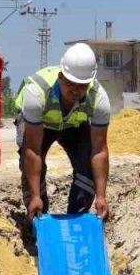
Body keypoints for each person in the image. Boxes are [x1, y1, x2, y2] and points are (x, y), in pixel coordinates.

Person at [14, 43, 113, 224]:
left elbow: (99, 151)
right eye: (70, 84)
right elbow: (33, 150)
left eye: (81, 86)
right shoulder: (37, 92)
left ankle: (75, 221)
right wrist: (36, 196)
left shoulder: (98, 99)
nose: (75, 91)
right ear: (60, 77)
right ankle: (38, 220)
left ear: (89, 83)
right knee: (32, 170)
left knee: (87, 168)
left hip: (73, 126)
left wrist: (101, 196)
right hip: (38, 124)